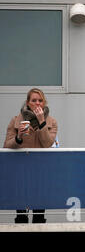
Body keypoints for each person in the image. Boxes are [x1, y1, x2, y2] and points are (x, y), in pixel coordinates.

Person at [3, 88, 58, 224]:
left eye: (40, 101)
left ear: (44, 103)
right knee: (21, 214)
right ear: (28, 103)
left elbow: (47, 143)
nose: (37, 103)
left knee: (39, 214)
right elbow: (6, 146)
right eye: (34, 100)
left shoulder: (52, 122)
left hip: (41, 171)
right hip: (20, 170)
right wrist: (18, 137)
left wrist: (42, 122)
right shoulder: (16, 120)